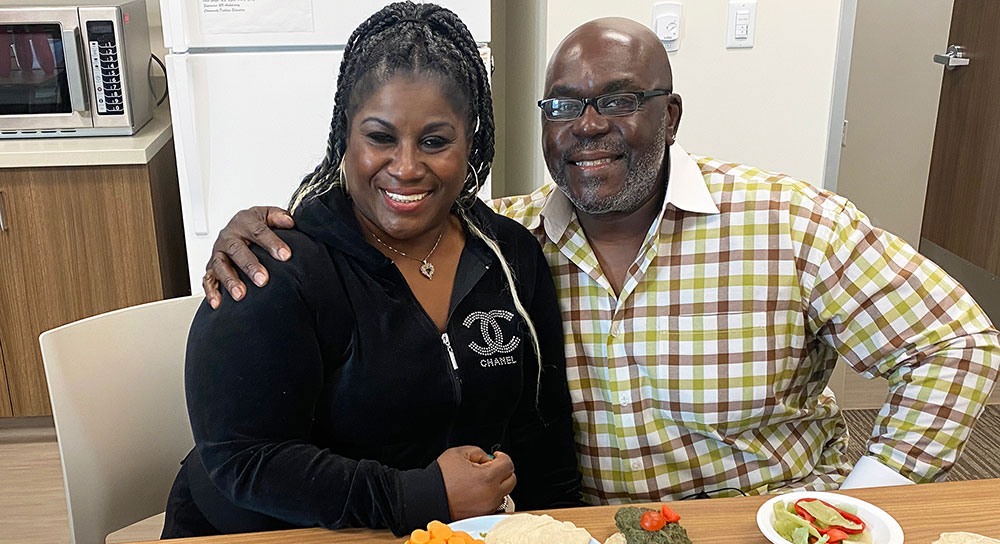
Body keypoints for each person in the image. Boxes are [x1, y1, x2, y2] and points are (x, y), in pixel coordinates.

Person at [202, 18, 1000, 505]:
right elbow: (392, 208)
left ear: (671, 113)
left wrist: (865, 502)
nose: (588, 126)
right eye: (563, 105)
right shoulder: (512, 241)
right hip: (592, 531)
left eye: (618, 99)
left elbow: (957, 346)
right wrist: (270, 222)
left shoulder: (788, 223)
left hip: (762, 521)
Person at [161, 3, 582, 538]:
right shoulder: (276, 267)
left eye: (435, 140)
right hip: (269, 532)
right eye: (380, 137)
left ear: (470, 143)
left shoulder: (512, 255)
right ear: (345, 137)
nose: (406, 167)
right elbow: (242, 458)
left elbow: (539, 435)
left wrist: (563, 528)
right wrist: (424, 496)